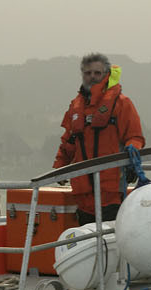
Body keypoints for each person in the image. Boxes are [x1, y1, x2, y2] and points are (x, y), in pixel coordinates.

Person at [52, 52, 145, 224]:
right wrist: (59, 169)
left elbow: (135, 136)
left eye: (97, 73)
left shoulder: (122, 104)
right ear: (82, 75)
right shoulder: (75, 107)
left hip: (111, 192)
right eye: (88, 73)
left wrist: (132, 149)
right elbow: (68, 143)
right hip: (83, 194)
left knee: (110, 242)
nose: (92, 77)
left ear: (106, 74)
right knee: (88, 242)